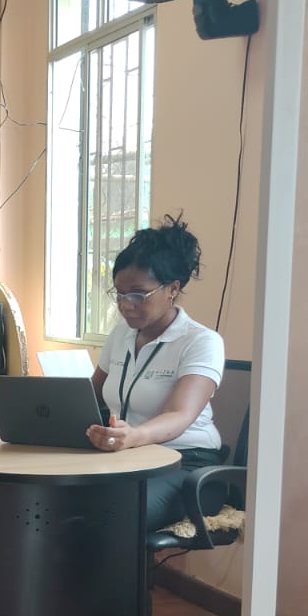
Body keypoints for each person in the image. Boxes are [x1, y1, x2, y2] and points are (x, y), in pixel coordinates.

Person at [86, 214, 227, 532]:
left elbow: (180, 414)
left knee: (114, 509)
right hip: (130, 457)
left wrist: (134, 437)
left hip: (187, 464)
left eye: (138, 294)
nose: (126, 305)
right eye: (119, 294)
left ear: (172, 288)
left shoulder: (201, 341)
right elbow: (89, 393)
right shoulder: (121, 334)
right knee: (60, 495)